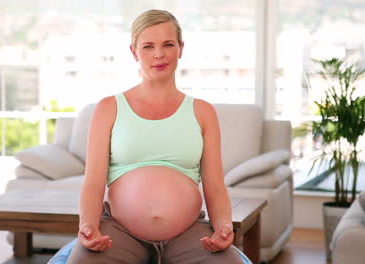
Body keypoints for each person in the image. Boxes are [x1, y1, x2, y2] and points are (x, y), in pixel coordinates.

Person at [67, 9, 244, 264]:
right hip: (118, 232)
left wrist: (224, 226)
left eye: (168, 44)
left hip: (189, 232)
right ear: (134, 52)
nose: (159, 54)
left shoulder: (203, 112)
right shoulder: (108, 108)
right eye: (148, 46)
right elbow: (93, 182)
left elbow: (215, 185)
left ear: (181, 49)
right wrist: (88, 225)